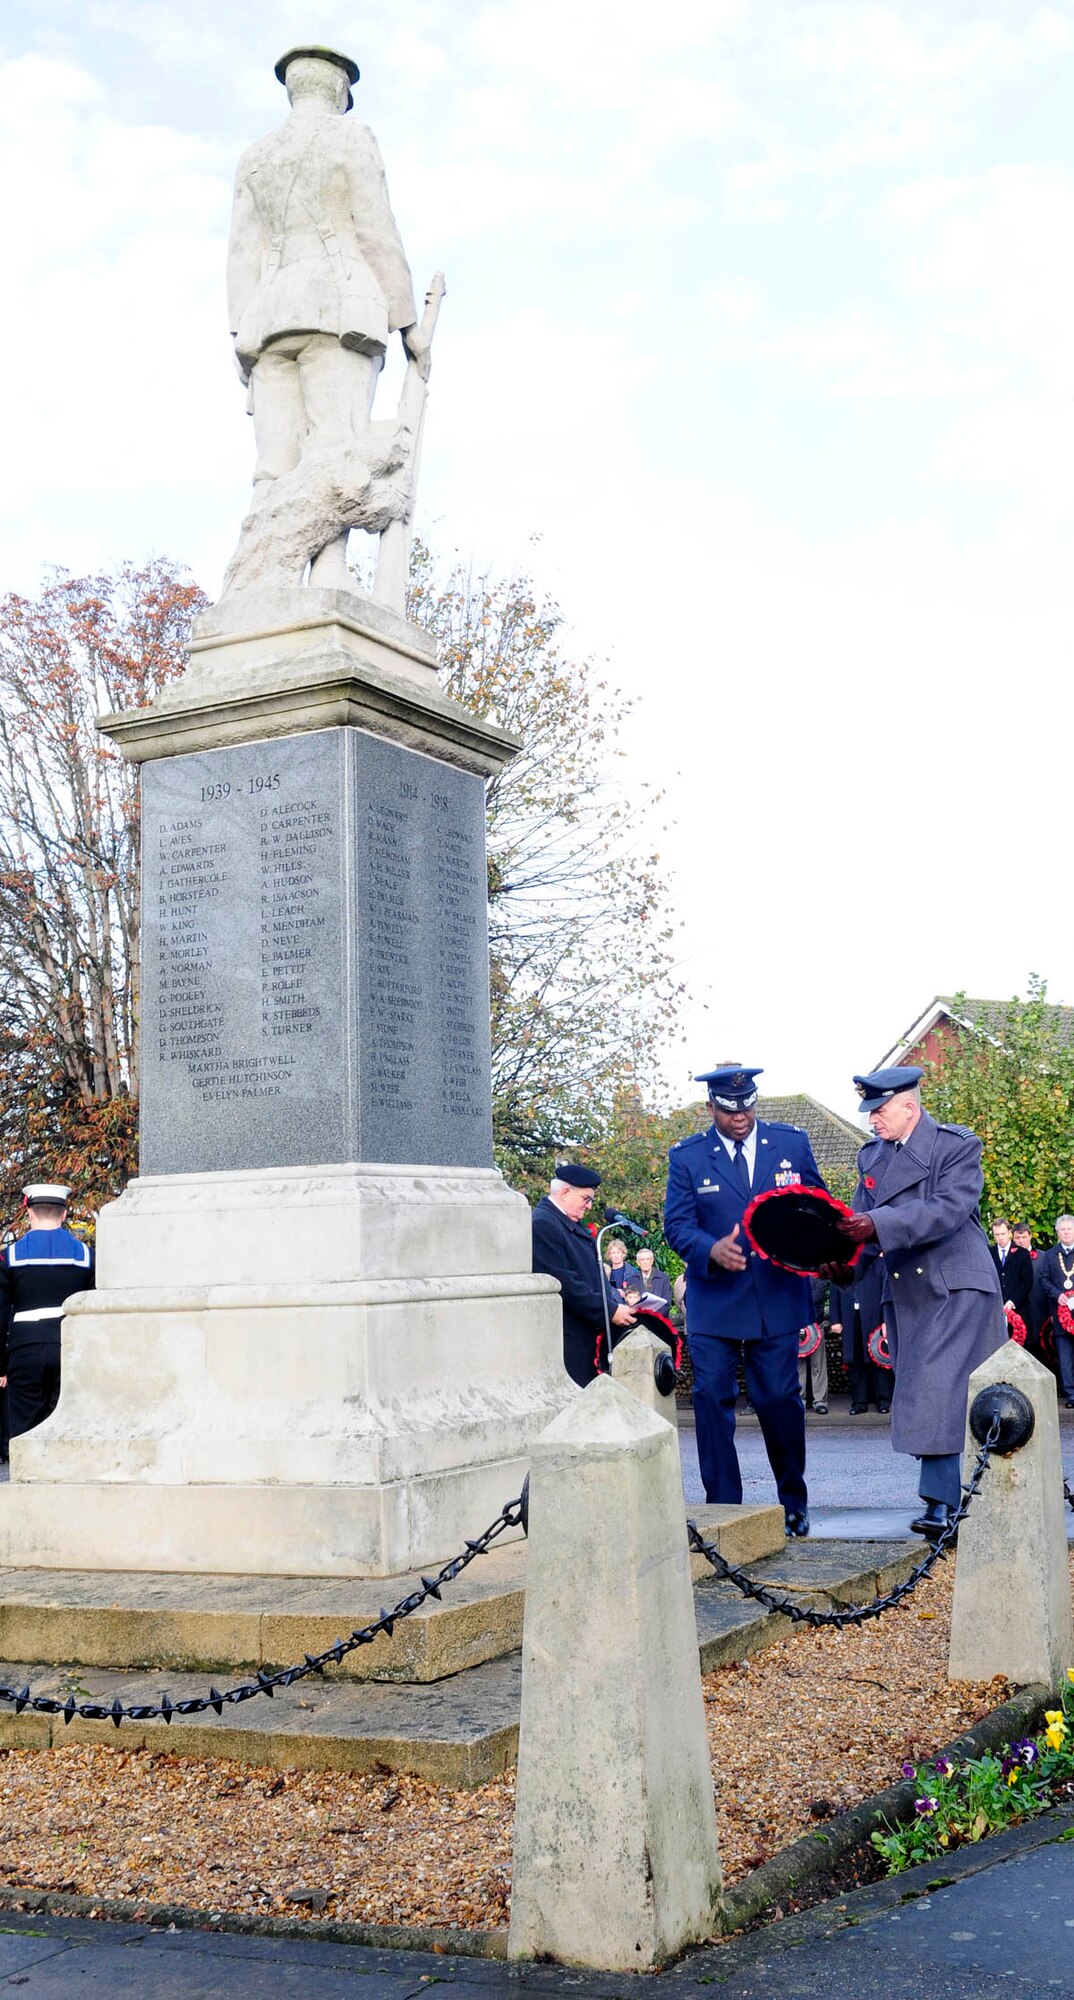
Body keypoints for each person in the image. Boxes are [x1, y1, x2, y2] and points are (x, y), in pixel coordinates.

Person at [225, 45, 424, 589]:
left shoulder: (256, 155)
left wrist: (241, 335)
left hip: (267, 320)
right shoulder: (351, 137)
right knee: (335, 450)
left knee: (276, 462)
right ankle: (330, 571)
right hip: (339, 310)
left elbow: (242, 253)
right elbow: (376, 229)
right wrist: (410, 326)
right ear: (339, 91)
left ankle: (262, 583)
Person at [825, 1067, 1006, 1542]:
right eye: (868, 1113)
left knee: (937, 1384)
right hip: (907, 1292)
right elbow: (859, 1230)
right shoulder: (872, 1157)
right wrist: (843, 1268)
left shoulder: (955, 1146)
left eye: (879, 1110)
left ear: (910, 1106)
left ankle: (940, 1504)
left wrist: (876, 1224)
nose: (872, 1121)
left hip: (956, 1284)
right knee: (930, 1388)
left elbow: (948, 1209)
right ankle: (955, 1500)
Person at [663, 1064, 824, 1537]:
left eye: (748, 1106)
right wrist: (709, 1249)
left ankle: (793, 1501)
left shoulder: (791, 1143)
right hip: (714, 1298)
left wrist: (819, 1247)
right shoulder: (689, 1157)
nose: (741, 1116)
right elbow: (677, 1225)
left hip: (775, 1296)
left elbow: (817, 1205)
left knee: (779, 1400)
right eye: (730, 1109)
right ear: (711, 1108)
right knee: (712, 1400)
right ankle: (723, 1511)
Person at [0, 1184, 95, 1440]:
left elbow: (0, 1314)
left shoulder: (10, 1257)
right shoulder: (87, 1256)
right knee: (68, 1429)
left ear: (29, 1212)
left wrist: (1, 1365)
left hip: (25, 1351)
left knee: (24, 1430)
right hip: (70, 1349)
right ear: (63, 1214)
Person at [531, 1166, 636, 1387]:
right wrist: (609, 1310)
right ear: (565, 1193)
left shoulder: (567, 1222)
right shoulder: (544, 1224)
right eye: (586, 1199)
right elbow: (564, 1283)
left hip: (587, 1333)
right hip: (569, 1338)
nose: (589, 1206)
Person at [829, 1259, 891, 1414]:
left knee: (877, 1360)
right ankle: (859, 1402)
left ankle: (883, 1400)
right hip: (850, 1317)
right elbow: (834, 1290)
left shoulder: (879, 1264)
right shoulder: (842, 1265)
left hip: (874, 1317)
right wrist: (835, 1319)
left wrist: (886, 1320)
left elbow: (887, 1292)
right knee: (855, 1361)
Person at [1039, 1214, 1074, 1407]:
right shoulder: (1051, 1255)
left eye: (1069, 1228)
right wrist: (1057, 1294)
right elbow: (1043, 1279)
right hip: (1061, 1314)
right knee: (1065, 1356)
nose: (1066, 1232)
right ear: (1057, 1232)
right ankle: (1071, 1395)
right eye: (1063, 1229)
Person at [989, 1218, 1034, 1331]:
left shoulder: (1022, 1253)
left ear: (1009, 1233)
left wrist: (1013, 1301)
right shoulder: (989, 1253)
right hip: (995, 1308)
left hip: (1018, 1308)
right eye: (997, 1234)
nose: (1000, 1237)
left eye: (1003, 1234)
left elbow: (1027, 1281)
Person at [635, 1247, 673, 1312]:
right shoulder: (631, 1280)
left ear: (652, 1261)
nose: (645, 1262)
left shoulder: (663, 1278)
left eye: (648, 1259)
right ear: (638, 1262)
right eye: (642, 1260)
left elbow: (667, 1302)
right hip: (639, 1319)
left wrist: (655, 1316)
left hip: (659, 1319)